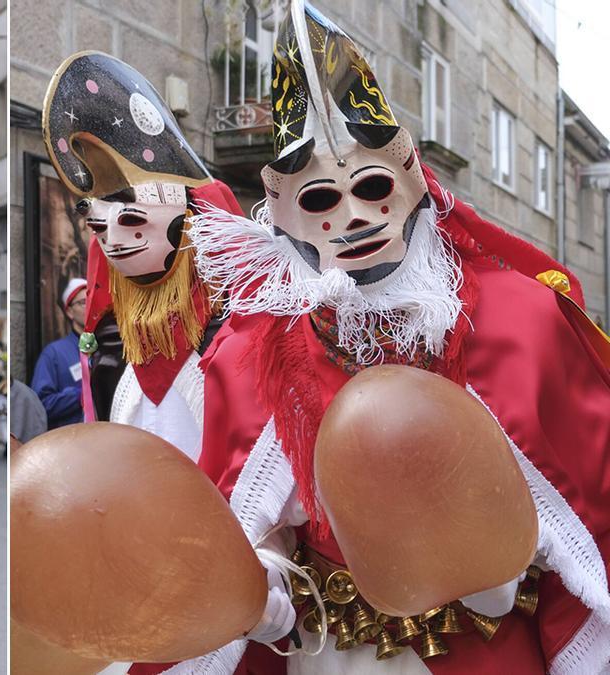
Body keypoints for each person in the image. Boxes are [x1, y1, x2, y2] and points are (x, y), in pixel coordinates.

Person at [168, 2, 610, 672]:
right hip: (329, 654)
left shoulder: (521, 322)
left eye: (372, 186)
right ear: (282, 208)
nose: (351, 218)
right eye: (320, 199)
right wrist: (262, 583)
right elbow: (249, 520)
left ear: (413, 180)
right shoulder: (257, 345)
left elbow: (590, 529)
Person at [41, 51, 244, 461]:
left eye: (132, 219)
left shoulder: (235, 347)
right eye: (100, 228)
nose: (113, 242)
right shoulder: (113, 357)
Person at [30, 278, 86, 429]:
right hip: (69, 443)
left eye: (93, 300)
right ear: (69, 311)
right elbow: (41, 405)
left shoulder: (108, 349)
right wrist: (80, 395)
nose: (90, 306)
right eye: (83, 302)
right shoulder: (54, 353)